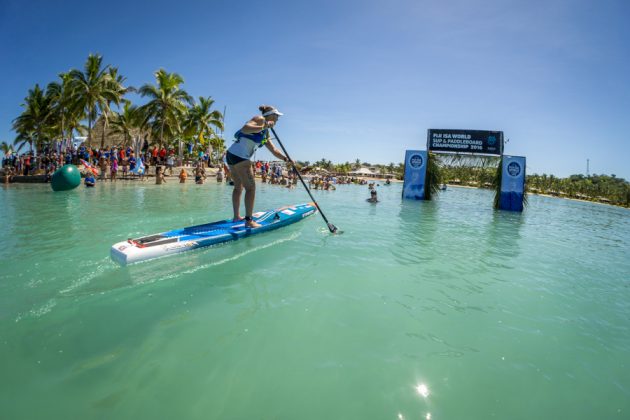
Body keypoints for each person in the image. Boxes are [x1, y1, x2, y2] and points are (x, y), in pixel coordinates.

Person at [225, 105, 288, 228]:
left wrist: (286, 159)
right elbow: (245, 129)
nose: (278, 119)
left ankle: (236, 217)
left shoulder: (266, 132)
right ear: (270, 115)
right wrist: (265, 124)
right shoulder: (260, 119)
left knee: (238, 187)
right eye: (276, 116)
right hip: (240, 156)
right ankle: (249, 221)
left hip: (231, 155)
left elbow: (274, 150)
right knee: (251, 188)